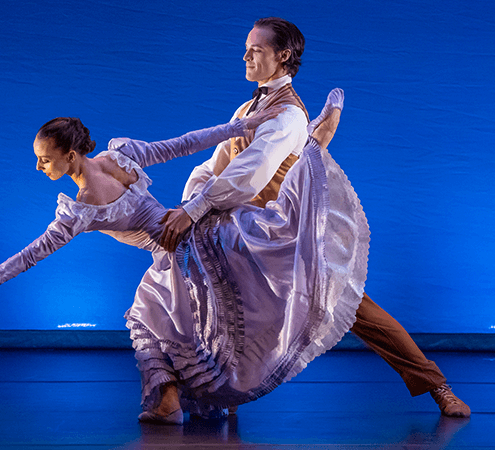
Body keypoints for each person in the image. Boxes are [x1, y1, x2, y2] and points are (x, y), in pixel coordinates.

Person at [0, 96, 370, 425]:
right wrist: (247, 123)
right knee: (234, 298)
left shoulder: (80, 207)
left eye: (44, 159)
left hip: (181, 250)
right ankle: (314, 145)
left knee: (147, 318)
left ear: (69, 155)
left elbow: (32, 254)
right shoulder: (121, 156)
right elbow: (186, 143)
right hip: (201, 230)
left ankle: (170, 404)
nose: (40, 167)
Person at [159, 17, 471, 418]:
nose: (245, 56)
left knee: (358, 311)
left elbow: (248, 173)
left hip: (286, 235)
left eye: (255, 50)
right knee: (217, 308)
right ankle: (218, 397)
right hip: (247, 235)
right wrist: (190, 205)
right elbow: (218, 163)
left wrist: (195, 209)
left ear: (283, 56)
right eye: (247, 48)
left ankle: (438, 387)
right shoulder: (249, 107)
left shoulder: (286, 115)